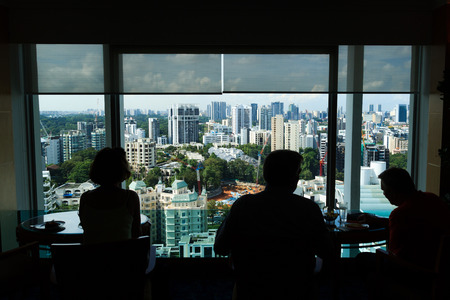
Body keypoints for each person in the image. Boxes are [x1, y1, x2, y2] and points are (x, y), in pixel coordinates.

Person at [214, 150, 334, 300]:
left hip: (251, 288)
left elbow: (220, 247)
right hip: (297, 288)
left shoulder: (244, 206)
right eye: (297, 173)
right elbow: (327, 251)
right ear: (294, 178)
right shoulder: (308, 209)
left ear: (265, 175)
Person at [358, 167, 450, 268]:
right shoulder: (433, 199)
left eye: (385, 191)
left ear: (394, 191)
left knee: (361, 259)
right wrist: (382, 221)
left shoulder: (400, 214)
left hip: (412, 272)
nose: (384, 194)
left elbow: (394, 255)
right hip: (439, 269)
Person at [79, 147, 141, 244]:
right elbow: (136, 233)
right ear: (122, 171)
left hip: (92, 258)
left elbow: (86, 228)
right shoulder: (130, 198)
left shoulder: (85, 198)